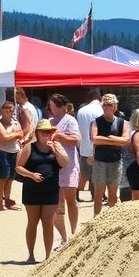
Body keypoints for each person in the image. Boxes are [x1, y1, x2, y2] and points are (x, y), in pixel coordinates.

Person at [15, 119, 69, 263]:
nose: (47, 135)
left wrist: (56, 150)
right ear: (37, 133)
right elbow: (18, 168)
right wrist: (31, 175)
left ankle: (47, 256)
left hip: (51, 190)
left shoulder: (56, 147)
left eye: (49, 132)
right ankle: (31, 255)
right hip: (32, 190)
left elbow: (64, 163)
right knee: (32, 222)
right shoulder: (29, 148)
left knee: (48, 222)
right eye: (44, 132)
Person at [48, 93, 81, 244]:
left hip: (68, 165)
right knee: (57, 202)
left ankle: (74, 232)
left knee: (70, 200)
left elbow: (76, 139)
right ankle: (63, 237)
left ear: (60, 106)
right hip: (54, 166)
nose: (51, 108)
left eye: (53, 105)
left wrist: (60, 136)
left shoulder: (70, 120)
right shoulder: (49, 121)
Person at [90, 94, 128, 215]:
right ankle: (96, 221)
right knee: (98, 196)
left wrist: (105, 139)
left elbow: (126, 141)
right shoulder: (96, 122)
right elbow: (95, 139)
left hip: (115, 161)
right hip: (100, 161)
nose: (107, 107)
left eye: (110, 105)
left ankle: (110, 222)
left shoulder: (122, 122)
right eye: (105, 105)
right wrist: (114, 140)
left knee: (113, 197)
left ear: (115, 107)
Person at [0, 101, 25, 211]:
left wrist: (11, 135)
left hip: (14, 152)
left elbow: (21, 135)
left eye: (11, 108)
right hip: (4, 153)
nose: (8, 110)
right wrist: (15, 134)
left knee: (11, 179)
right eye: (6, 108)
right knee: (2, 179)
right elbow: (3, 138)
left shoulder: (15, 122)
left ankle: (7, 201)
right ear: (2, 110)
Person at [75, 88, 103, 202]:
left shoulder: (81, 111)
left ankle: (76, 194)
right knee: (97, 174)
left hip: (84, 147)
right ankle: (95, 194)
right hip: (98, 146)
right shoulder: (101, 110)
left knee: (84, 174)